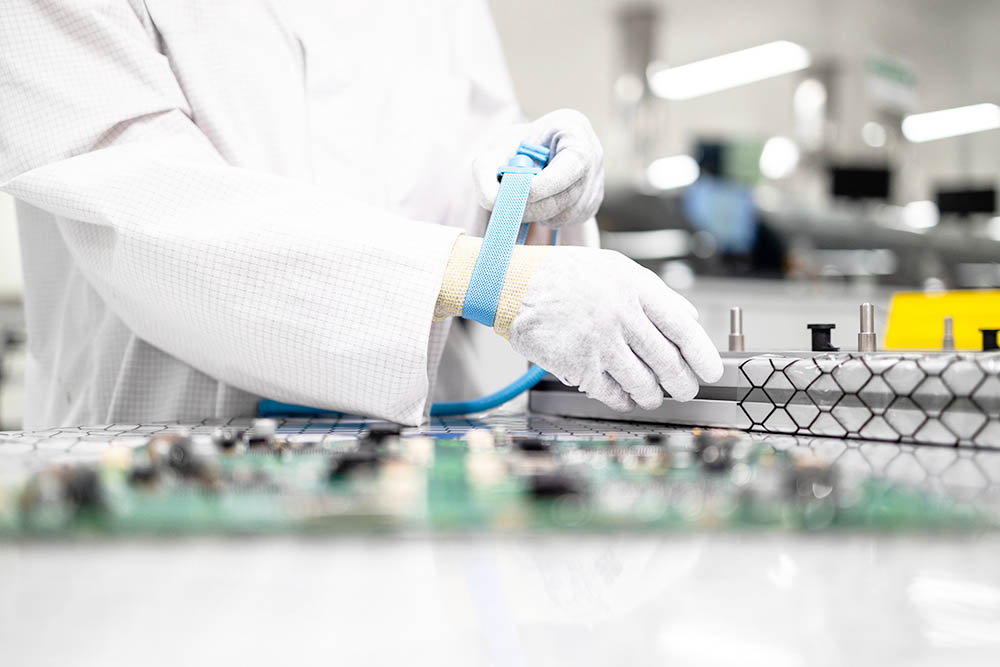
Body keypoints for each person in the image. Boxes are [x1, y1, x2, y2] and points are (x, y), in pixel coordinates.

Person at [0, 1, 722, 428]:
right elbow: (141, 206)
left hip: (424, 479)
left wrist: (531, 173)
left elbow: (474, 158)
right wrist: (491, 278)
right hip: (161, 474)